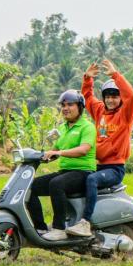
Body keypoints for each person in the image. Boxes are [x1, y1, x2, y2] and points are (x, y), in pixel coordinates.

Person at [67, 58, 133, 237]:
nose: (111, 100)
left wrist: (115, 74)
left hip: (114, 168)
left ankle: (85, 223)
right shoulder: (100, 112)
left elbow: (132, 97)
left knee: (91, 181)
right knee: (73, 178)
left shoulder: (125, 116)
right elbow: (88, 98)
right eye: (107, 96)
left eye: (115, 96)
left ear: (120, 98)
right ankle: (71, 220)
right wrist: (87, 78)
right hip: (97, 164)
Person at [26, 90, 97, 241]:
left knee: (56, 183)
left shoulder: (87, 127)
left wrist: (59, 153)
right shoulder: (63, 128)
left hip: (83, 172)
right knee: (30, 187)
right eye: (63, 105)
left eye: (70, 105)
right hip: (65, 172)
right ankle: (40, 227)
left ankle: (59, 228)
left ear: (80, 107)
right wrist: (39, 156)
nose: (65, 108)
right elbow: (56, 151)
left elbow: (83, 150)